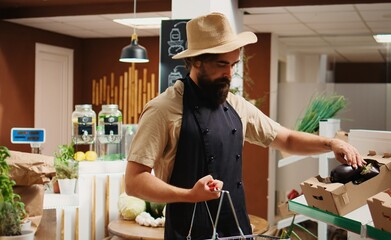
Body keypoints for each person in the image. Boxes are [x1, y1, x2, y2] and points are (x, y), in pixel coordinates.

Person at [124, 12, 365, 239]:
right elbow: (134, 181)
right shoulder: (163, 109)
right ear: (196, 61)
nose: (229, 73)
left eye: (234, 64)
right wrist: (189, 195)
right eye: (221, 64)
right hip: (188, 231)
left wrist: (331, 143)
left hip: (236, 227)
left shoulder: (237, 105)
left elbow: (286, 139)